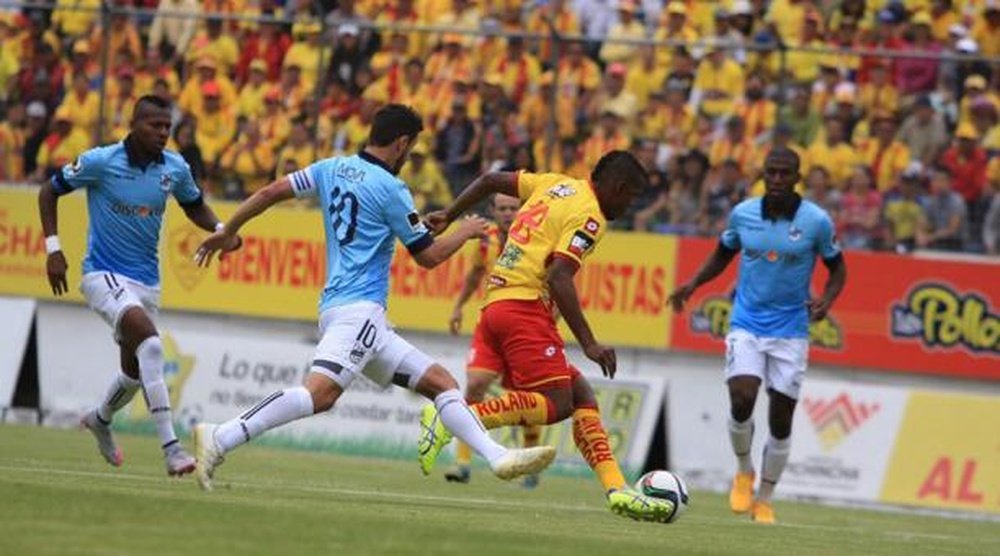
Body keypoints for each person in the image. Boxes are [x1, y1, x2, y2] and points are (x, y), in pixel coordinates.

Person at [190, 104, 555, 492]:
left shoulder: (331, 167)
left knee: (442, 383)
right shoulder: (392, 188)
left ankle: (498, 457)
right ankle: (222, 436)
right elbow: (428, 256)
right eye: (411, 149)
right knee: (320, 394)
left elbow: (270, 191)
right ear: (401, 143)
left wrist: (228, 230)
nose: (409, 156)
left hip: (345, 310)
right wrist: (465, 231)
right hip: (359, 311)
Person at [416, 151, 678, 522]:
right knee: (557, 403)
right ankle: (453, 416)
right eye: (631, 196)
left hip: (499, 304)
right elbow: (559, 276)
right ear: (618, 188)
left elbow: (491, 179)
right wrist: (589, 342)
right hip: (523, 307)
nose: (630, 205)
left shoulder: (554, 183)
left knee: (580, 394)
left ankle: (618, 490)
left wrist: (449, 213)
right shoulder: (591, 216)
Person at [36, 96, 232, 476]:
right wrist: (53, 249)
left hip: (146, 282)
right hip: (102, 274)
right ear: (134, 123)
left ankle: (100, 419)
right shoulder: (100, 161)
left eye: (167, 128)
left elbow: (194, 206)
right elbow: (49, 190)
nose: (163, 133)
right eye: (155, 126)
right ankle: (172, 450)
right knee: (152, 343)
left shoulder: (174, 167)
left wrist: (223, 231)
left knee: (133, 373)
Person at [667, 147, 847, 524]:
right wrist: (693, 283)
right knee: (742, 395)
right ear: (764, 174)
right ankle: (744, 470)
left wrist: (827, 300)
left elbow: (838, 269)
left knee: (781, 419)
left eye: (785, 173)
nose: (778, 179)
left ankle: (764, 497)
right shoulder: (744, 214)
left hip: (791, 331)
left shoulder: (816, 221)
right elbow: (722, 254)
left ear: (797, 177)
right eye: (772, 173)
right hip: (747, 322)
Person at [443, 193, 544, 487]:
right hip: (490, 324)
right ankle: (462, 463)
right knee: (474, 385)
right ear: (493, 211)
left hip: (525, 328)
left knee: (526, 397)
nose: (508, 213)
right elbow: (475, 275)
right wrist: (458, 306)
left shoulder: (535, 239)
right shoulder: (485, 240)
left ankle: (530, 460)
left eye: (514, 208)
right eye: (502, 208)